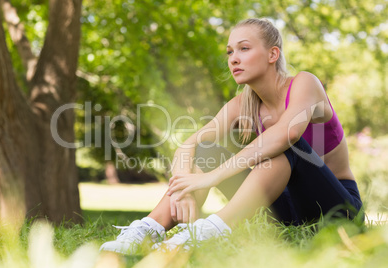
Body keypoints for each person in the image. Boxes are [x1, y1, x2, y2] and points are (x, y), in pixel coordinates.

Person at [100, 18, 363, 254]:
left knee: (287, 146)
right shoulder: (242, 104)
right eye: (230, 52)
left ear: (273, 54)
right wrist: (184, 189)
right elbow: (190, 145)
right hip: (284, 213)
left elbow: (287, 133)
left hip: (336, 209)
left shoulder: (305, 83)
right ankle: (149, 228)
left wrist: (213, 177)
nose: (233, 58)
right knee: (206, 149)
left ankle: (212, 230)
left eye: (244, 49)